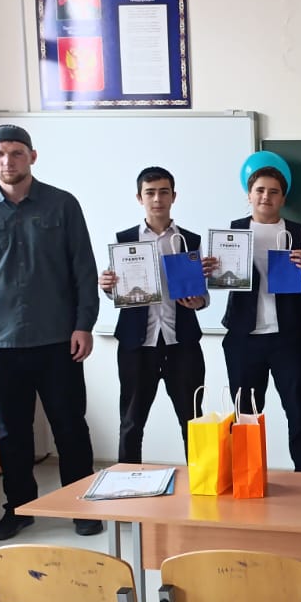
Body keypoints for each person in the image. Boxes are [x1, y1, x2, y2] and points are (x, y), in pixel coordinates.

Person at [0, 124, 100, 541]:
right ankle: (18, 508)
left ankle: (81, 506)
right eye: (0, 153)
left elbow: (84, 270)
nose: (8, 161)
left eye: (16, 152)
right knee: (13, 432)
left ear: (32, 156)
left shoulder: (62, 205)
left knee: (70, 427)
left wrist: (84, 324)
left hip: (57, 339)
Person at [210, 165, 301, 473]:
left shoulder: (300, 233)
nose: (266, 197)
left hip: (290, 337)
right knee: (245, 414)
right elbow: (219, 281)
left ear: (283, 198)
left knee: (298, 409)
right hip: (244, 338)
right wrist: (209, 271)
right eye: (259, 190)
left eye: (273, 192)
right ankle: (247, 476)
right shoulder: (231, 233)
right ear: (249, 195)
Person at [99, 167, 206, 464]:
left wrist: (198, 301)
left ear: (174, 196)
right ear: (139, 198)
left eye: (163, 192)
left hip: (182, 343)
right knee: (131, 422)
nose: (157, 199)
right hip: (137, 344)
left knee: (193, 421)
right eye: (150, 193)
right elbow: (117, 291)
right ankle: (127, 487)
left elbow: (202, 295)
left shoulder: (190, 240)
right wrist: (107, 287)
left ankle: (201, 483)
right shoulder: (124, 240)